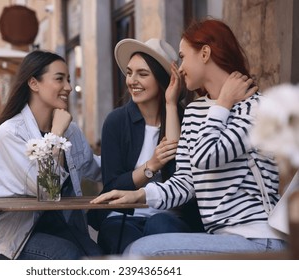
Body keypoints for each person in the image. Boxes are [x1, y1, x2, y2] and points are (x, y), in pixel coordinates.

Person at [91, 19, 287, 256]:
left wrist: (223, 103)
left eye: (183, 56)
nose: (180, 67)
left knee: (142, 252)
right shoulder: (195, 111)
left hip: (259, 238)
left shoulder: (256, 109)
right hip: (219, 238)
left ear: (205, 53)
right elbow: (185, 181)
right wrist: (139, 194)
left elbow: (207, 157)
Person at [0, 50, 103, 260]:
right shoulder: (12, 132)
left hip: (59, 228)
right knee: (68, 257)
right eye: (59, 79)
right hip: (10, 235)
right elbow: (47, 190)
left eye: (68, 80)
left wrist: (145, 168)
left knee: (98, 257)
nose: (68, 87)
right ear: (34, 84)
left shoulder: (71, 130)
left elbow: (93, 167)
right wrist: (56, 134)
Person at [88, 38, 203, 254]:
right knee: (118, 236)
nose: (132, 80)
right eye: (130, 73)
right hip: (124, 215)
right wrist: (150, 167)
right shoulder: (116, 122)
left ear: (161, 79)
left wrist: (170, 104)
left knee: (159, 225)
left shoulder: (186, 118)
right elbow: (112, 185)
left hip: (169, 216)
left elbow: (182, 176)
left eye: (142, 74)